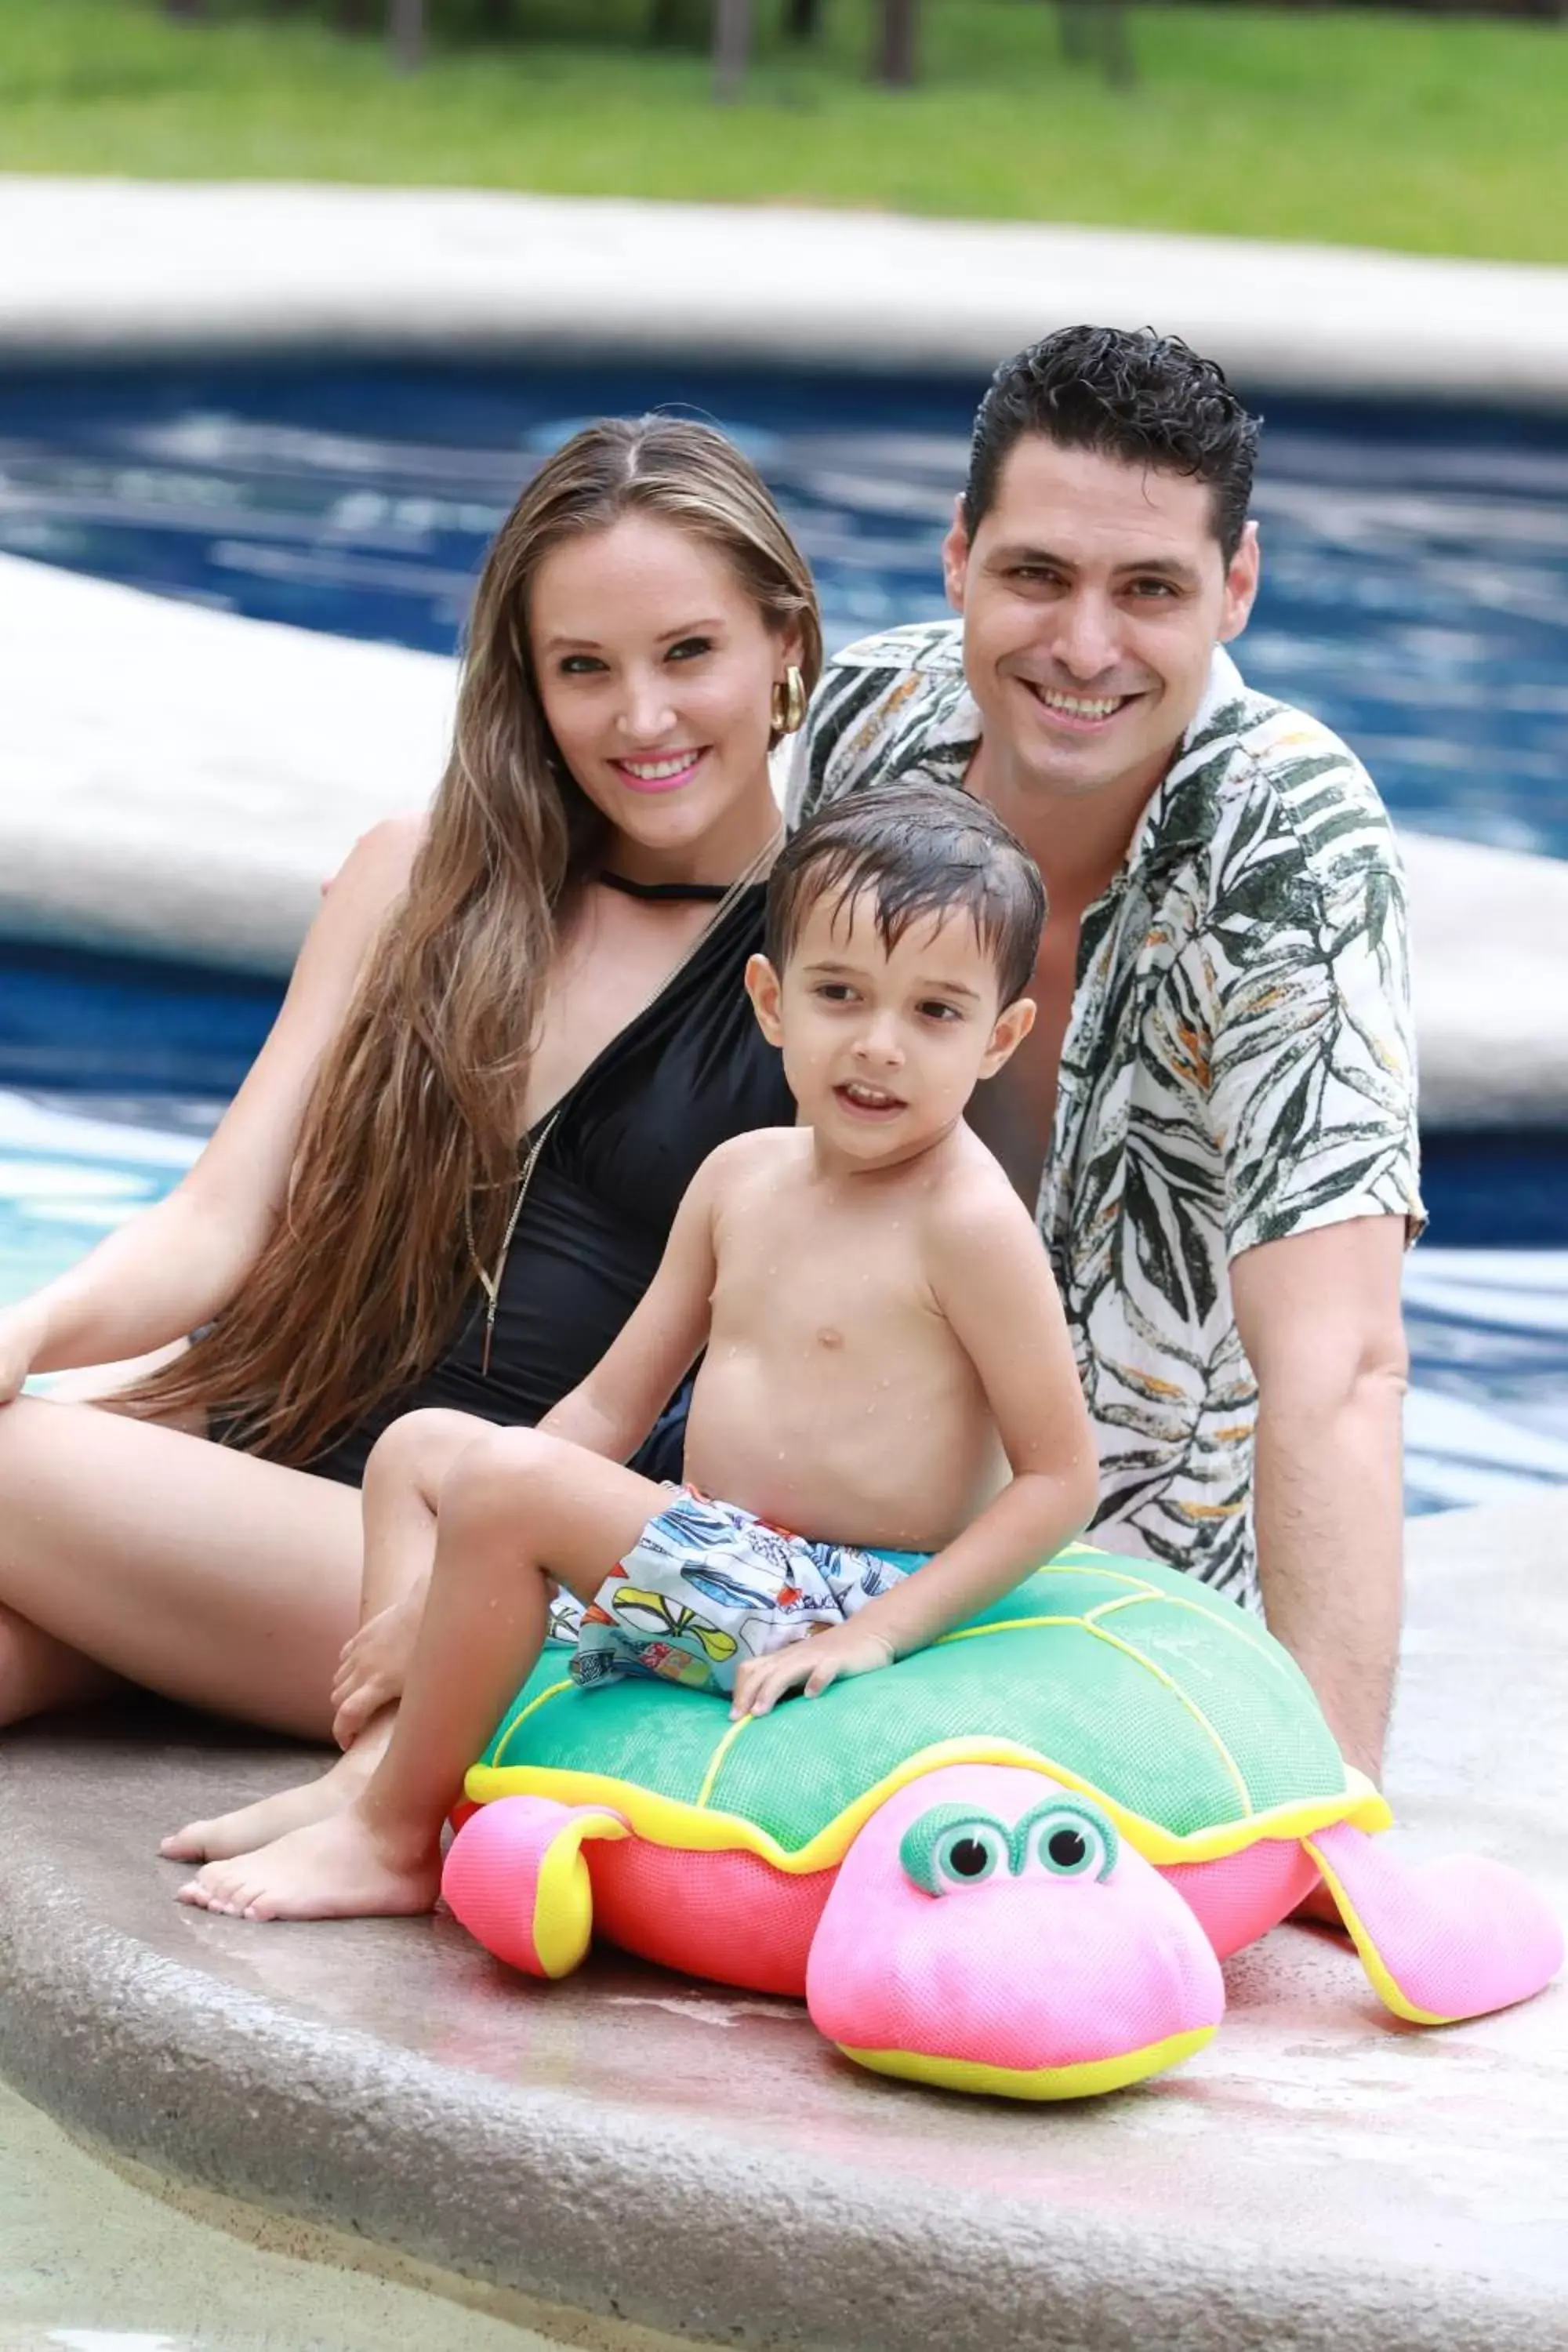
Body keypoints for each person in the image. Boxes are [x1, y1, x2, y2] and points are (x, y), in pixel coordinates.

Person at [0, 417, 818, 1853]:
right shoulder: (416, 880)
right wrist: (36, 1326)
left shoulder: (831, 972)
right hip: (245, 1472)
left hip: (473, 1570)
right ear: (527, 681)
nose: (641, 718)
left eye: (688, 653)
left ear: (784, 647)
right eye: (585, 667)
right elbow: (215, 1223)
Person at [174, 782, 1099, 1922]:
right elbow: (611, 1405)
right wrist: (453, 1561)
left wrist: (880, 1632)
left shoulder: (966, 1223)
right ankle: (373, 1770)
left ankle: (395, 1841)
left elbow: (1063, 1477)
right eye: (839, 994)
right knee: (425, 1450)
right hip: (714, 1548)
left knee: (506, 1481)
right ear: (770, 1001)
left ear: (1002, 1035)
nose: (878, 1045)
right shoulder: (740, 1176)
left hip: (832, 1589)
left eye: (936, 1013)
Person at [786, 327, 1422, 1786]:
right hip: (821, 1543)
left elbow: (1339, 1367)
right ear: (958, 558)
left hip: (1122, 1616)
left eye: (1149, 591)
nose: (1083, 648)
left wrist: (1323, 1807)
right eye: (1035, 577)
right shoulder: (865, 730)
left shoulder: (1291, 851)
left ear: (1237, 589)